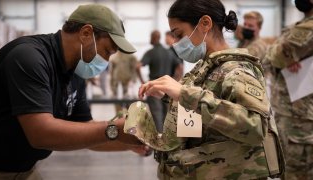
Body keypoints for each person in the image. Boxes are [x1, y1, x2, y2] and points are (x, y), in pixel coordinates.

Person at [131, 0, 285, 179]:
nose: (175, 43)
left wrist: (184, 94)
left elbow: (256, 127)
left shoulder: (236, 70)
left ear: (205, 24)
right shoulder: (206, 68)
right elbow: (203, 116)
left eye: (179, 34)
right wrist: (169, 96)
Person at [0, 4, 149, 179]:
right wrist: (113, 129)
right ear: (85, 34)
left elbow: (86, 130)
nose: (106, 61)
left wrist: (126, 143)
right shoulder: (29, 58)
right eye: (106, 51)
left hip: (24, 169)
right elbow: (41, 134)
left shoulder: (75, 72)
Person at [265, 0, 313, 179]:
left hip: (301, 116)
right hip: (293, 111)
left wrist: (279, 56)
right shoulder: (299, 26)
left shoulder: (308, 28)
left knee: (297, 172)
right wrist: (280, 56)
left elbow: (276, 56)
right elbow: (269, 59)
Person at [136, 30, 174, 133]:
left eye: (150, 37)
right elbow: (179, 67)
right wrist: (175, 80)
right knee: (168, 114)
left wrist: (143, 81)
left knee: (156, 114)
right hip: (168, 86)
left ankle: (159, 140)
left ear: (153, 38)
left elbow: (138, 66)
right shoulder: (169, 52)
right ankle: (167, 140)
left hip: (154, 87)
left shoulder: (151, 52)